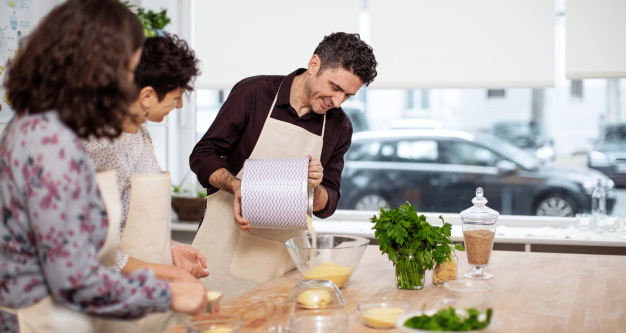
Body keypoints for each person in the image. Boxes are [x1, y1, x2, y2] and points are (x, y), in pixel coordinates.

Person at [0, 1, 207, 332]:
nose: (130, 85)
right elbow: (76, 281)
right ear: (97, 69)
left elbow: (81, 242)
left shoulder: (36, 125)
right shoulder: (51, 144)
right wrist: (166, 292)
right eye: (127, 71)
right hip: (37, 318)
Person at [189, 32, 378, 301]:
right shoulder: (254, 93)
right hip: (223, 246)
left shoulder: (339, 125)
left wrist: (315, 190)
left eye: (348, 95)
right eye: (335, 88)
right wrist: (237, 186)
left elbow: (329, 201)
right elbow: (203, 154)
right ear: (314, 65)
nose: (337, 102)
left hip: (283, 258)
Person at [84, 33, 205, 333]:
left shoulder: (140, 132)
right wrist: (170, 274)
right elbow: (92, 246)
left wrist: (170, 248)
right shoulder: (103, 142)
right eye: (176, 97)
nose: (179, 107)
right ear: (148, 96)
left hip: (149, 295)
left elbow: (131, 218)